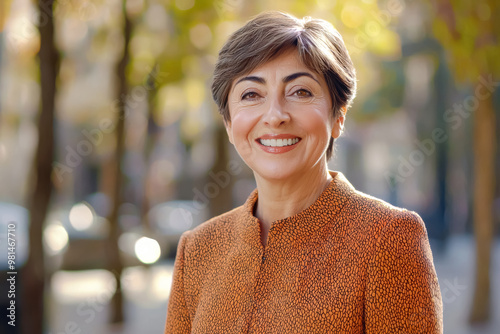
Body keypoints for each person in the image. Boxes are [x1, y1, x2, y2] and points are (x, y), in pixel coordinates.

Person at [164, 11, 443, 333]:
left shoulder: (388, 238)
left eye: (300, 92)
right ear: (229, 123)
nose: (275, 115)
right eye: (251, 95)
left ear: (338, 116)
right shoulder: (198, 250)